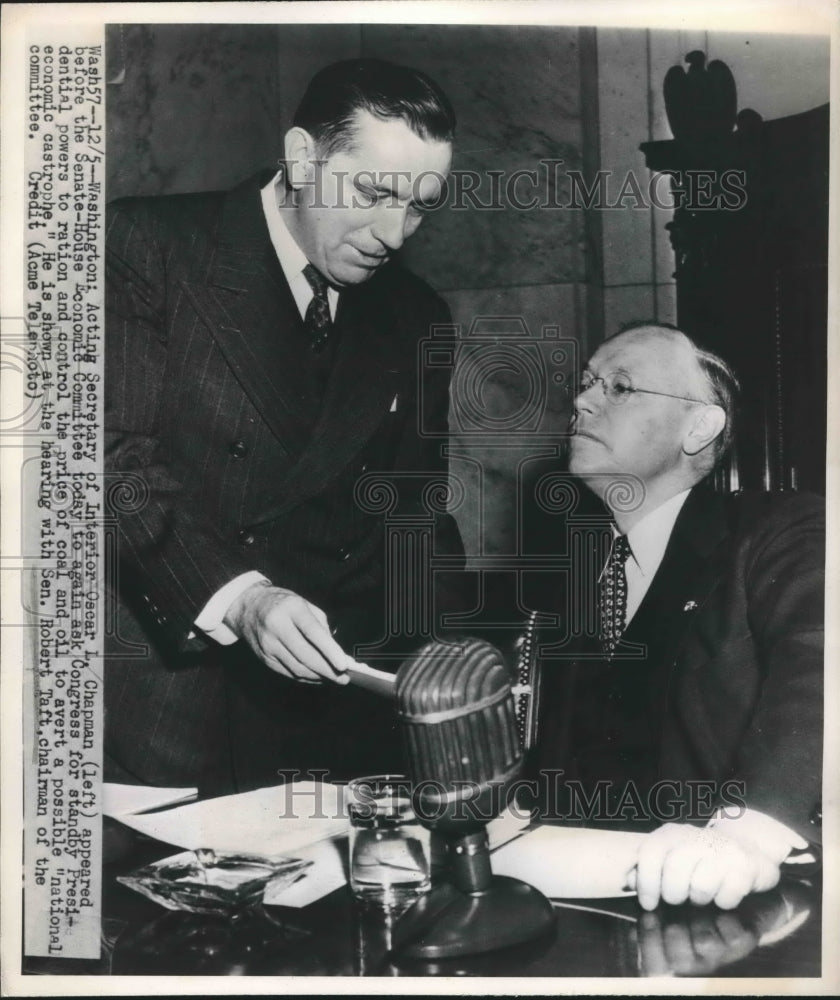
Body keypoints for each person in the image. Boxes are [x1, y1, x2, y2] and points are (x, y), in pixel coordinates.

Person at [104, 59, 464, 794]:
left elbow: (414, 518)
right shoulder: (143, 246)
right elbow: (110, 464)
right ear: (302, 157)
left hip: (323, 712)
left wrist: (444, 669)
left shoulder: (416, 316)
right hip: (163, 696)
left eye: (421, 206)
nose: (395, 232)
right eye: (373, 192)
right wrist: (242, 598)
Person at [526, 322, 823, 910]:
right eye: (586, 383)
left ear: (699, 426)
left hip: (737, 902)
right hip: (589, 900)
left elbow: (823, 657)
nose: (582, 400)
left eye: (620, 386)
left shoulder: (780, 532)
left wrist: (752, 831)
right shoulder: (578, 574)